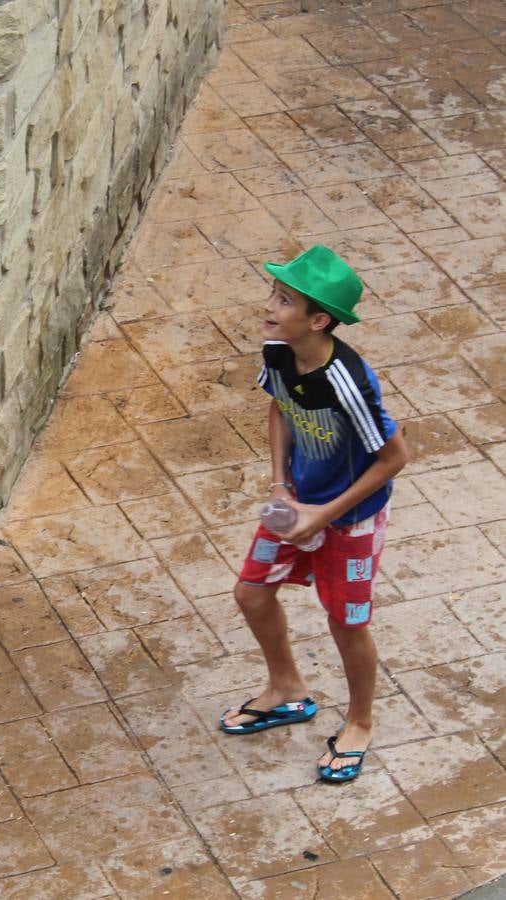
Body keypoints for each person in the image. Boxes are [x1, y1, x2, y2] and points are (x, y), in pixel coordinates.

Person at [219, 244, 409, 784]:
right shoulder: (278, 351)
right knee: (252, 593)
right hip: (297, 501)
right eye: (273, 294)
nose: (269, 306)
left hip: (351, 517)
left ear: (319, 320)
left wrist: (322, 516)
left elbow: (394, 458)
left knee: (346, 624)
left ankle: (360, 722)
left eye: (284, 300)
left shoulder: (347, 380)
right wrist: (282, 486)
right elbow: (279, 407)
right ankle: (287, 689)